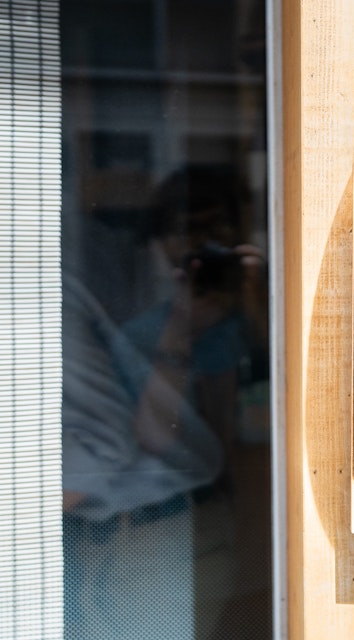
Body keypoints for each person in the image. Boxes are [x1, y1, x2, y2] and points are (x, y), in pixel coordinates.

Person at [62, 165, 268, 639]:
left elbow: (236, 418)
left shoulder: (240, 318)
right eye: (185, 230)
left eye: (216, 230)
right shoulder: (141, 322)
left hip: (180, 527)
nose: (200, 247)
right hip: (125, 535)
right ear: (155, 241)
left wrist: (254, 298)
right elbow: (165, 432)